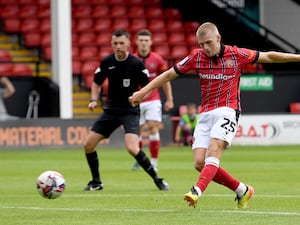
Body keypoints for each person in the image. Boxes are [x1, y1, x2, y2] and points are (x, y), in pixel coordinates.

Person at [129, 22, 300, 208]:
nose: (205, 48)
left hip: (228, 110)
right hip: (206, 114)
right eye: (201, 44)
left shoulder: (236, 54)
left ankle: (197, 191)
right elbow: (168, 75)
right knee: (199, 163)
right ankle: (242, 190)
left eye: (209, 43)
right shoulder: (196, 56)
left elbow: (268, 56)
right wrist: (143, 92)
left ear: (218, 38)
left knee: (214, 151)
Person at [82, 29, 169, 191]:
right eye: (115, 43)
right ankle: (96, 182)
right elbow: (96, 82)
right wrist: (93, 99)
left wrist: (140, 96)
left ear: (128, 44)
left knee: (132, 148)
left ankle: (158, 180)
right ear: (111, 45)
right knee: (88, 145)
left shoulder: (136, 64)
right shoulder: (107, 62)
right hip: (111, 111)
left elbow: (148, 87)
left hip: (130, 111)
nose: (119, 46)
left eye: (122, 43)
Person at [131, 29, 174, 171]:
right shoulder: (131, 59)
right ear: (136, 42)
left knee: (153, 126)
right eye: (141, 40)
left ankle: (154, 162)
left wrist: (169, 99)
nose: (143, 43)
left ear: (150, 42)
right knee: (136, 131)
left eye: (146, 40)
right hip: (137, 100)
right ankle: (140, 158)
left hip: (152, 99)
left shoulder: (157, 59)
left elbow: (166, 80)